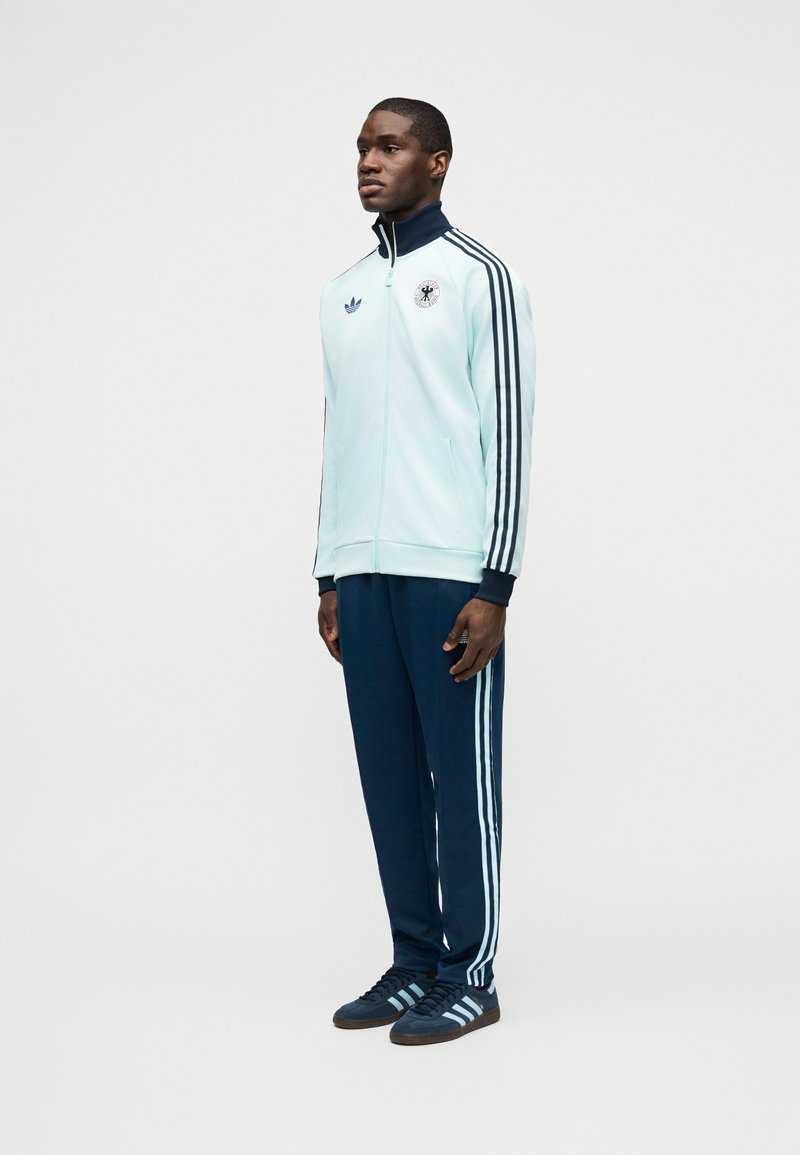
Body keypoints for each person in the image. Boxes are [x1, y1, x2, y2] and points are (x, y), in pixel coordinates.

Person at [313, 97, 535, 1046]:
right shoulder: (344, 291)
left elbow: (509, 431)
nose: (370, 160)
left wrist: (496, 583)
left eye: (391, 146)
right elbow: (340, 437)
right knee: (389, 775)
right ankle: (412, 962)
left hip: (449, 573)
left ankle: (468, 974)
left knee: (460, 775)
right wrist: (326, 574)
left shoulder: (480, 276)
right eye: (363, 147)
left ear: (437, 161)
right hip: (362, 576)